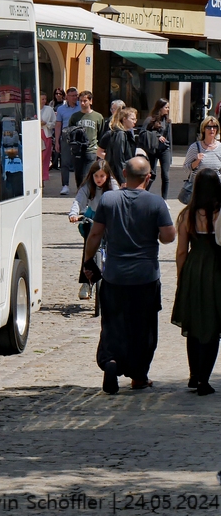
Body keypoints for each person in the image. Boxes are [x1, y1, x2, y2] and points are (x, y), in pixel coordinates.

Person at [83, 156, 176, 393]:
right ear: (148, 177)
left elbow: (94, 235)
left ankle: (111, 362)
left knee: (113, 325)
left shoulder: (108, 200)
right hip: (145, 277)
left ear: (124, 173)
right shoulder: (156, 204)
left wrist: (87, 262)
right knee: (143, 328)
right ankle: (138, 376)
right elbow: (168, 237)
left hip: (115, 275)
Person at [172, 169, 221, 396]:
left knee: (193, 323)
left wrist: (182, 277)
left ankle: (194, 374)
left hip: (193, 267)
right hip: (215, 269)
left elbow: (182, 251)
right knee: (212, 324)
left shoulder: (187, 215)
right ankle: (204, 379)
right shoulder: (218, 214)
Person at [69, 159, 119, 299]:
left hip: (109, 218)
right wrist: (73, 213)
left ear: (108, 176)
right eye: (96, 176)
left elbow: (120, 201)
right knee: (88, 249)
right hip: (93, 218)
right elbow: (79, 201)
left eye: (102, 176)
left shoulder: (113, 186)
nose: (98, 179)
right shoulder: (87, 186)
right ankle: (86, 282)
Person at [67, 90, 104, 192]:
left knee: (87, 175)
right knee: (78, 176)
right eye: (80, 101)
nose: (82, 103)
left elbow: (101, 133)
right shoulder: (75, 117)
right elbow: (70, 132)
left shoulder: (98, 117)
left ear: (90, 101)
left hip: (91, 150)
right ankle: (81, 195)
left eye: (85, 101)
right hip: (78, 150)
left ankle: (86, 196)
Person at [98, 107, 138, 187]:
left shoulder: (126, 134)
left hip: (120, 172)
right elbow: (119, 158)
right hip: (117, 175)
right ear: (124, 119)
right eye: (132, 119)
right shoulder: (120, 134)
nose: (135, 121)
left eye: (135, 119)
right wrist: (122, 180)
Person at [143, 99, 173, 199]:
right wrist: (156, 136)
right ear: (160, 107)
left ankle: (164, 199)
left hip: (165, 149)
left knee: (166, 176)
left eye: (168, 107)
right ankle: (142, 194)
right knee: (151, 174)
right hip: (153, 150)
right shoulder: (150, 120)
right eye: (166, 107)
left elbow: (169, 138)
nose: (168, 109)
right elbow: (143, 133)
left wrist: (170, 155)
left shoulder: (167, 121)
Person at [55, 87, 81, 195]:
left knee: (78, 163)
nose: (75, 98)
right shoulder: (61, 109)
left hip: (79, 136)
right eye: (73, 96)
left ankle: (80, 186)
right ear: (67, 97)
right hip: (66, 135)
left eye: (76, 95)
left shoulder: (81, 106)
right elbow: (58, 125)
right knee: (65, 162)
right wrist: (57, 141)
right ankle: (65, 185)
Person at [184, 116, 221, 182]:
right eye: (209, 127)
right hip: (198, 186)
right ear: (204, 129)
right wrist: (197, 161)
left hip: (216, 186)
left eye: (214, 127)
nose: (212, 129)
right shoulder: (195, 147)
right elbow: (186, 168)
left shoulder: (220, 147)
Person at [39, 92, 56, 184]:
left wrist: (46, 124)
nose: (44, 101)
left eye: (45, 99)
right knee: (37, 158)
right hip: (35, 135)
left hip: (46, 135)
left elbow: (54, 123)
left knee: (45, 158)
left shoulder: (49, 109)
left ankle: (42, 179)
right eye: (42, 99)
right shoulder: (32, 108)